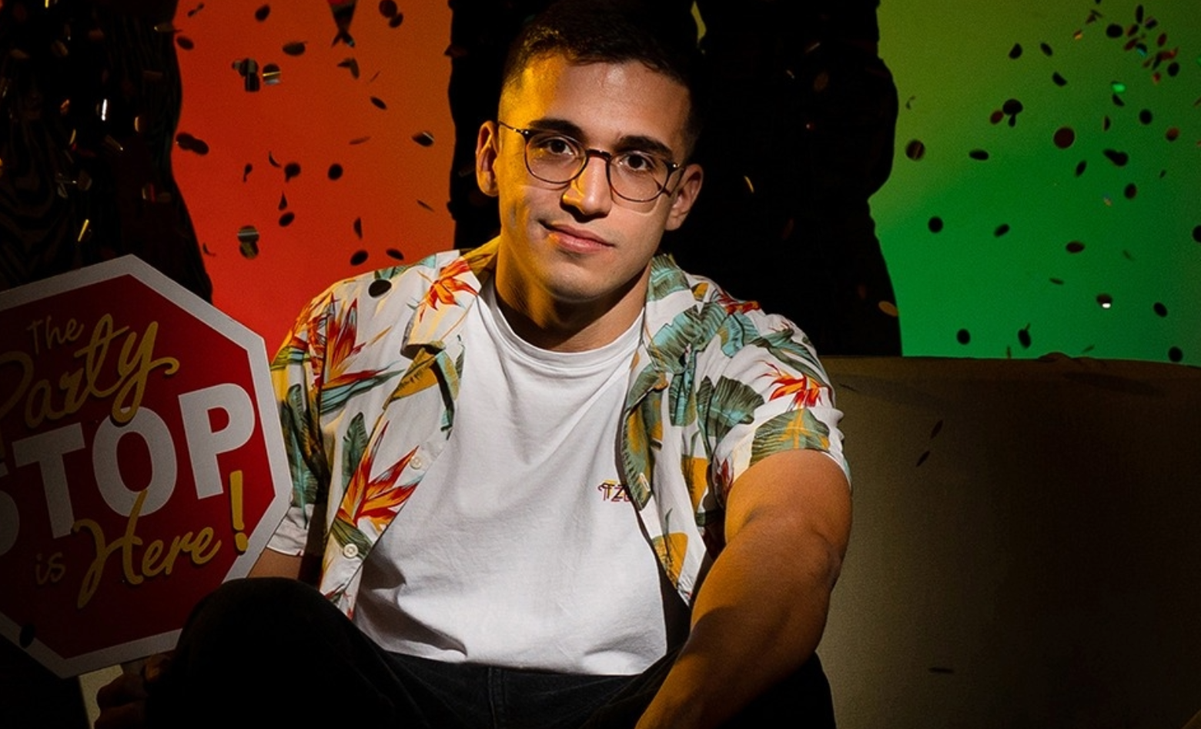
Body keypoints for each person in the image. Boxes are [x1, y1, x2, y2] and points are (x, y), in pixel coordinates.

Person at [98, 1, 850, 726]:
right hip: (387, 700)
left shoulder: (744, 351)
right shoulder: (355, 324)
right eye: (555, 145)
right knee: (245, 626)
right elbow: (261, 582)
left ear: (680, 197)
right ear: (489, 157)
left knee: (776, 684)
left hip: (632, 707)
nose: (588, 196)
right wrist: (189, 687)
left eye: (635, 160)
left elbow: (794, 538)